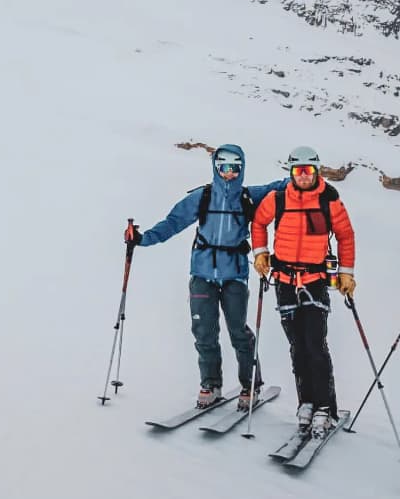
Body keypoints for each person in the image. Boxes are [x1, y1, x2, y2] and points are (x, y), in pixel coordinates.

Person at [126, 145, 288, 410]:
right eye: (224, 167)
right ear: (216, 167)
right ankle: (211, 384)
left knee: (239, 332)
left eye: (235, 168)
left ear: (242, 168)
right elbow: (172, 222)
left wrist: (303, 174)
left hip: (235, 274)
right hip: (202, 273)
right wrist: (143, 239)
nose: (229, 173)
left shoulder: (248, 197)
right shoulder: (202, 197)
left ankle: (250, 385)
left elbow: (278, 187)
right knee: (204, 332)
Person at [251, 146, 356, 438]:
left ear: (317, 171)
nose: (304, 177)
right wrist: (261, 253)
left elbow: (346, 235)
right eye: (299, 171)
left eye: (309, 171)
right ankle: (306, 402)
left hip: (314, 280)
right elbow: (258, 222)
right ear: (291, 172)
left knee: (315, 344)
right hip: (284, 280)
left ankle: (325, 406)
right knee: (297, 345)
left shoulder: (329, 199)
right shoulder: (278, 198)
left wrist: (346, 273)